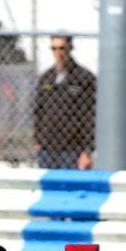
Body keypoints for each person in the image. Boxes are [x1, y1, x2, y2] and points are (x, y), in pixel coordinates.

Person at [33, 35, 96, 169]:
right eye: (54, 48)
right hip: (47, 147)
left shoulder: (84, 78)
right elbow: (38, 110)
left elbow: (91, 116)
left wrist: (87, 151)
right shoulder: (46, 77)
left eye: (62, 48)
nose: (58, 53)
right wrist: (37, 139)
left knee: (71, 188)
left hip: (73, 149)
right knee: (49, 188)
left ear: (70, 48)